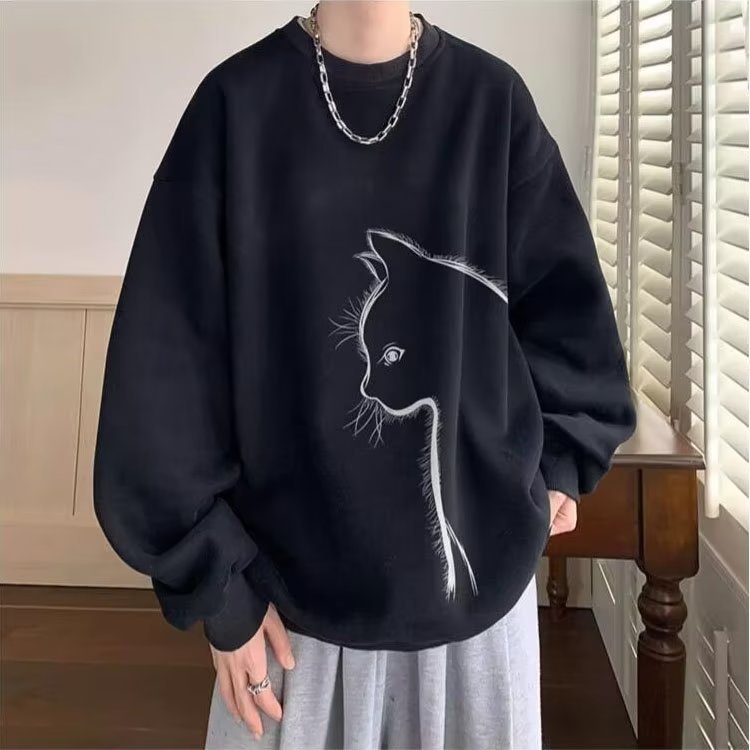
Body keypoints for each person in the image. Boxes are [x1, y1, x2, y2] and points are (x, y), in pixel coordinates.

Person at [92, 2, 637, 748]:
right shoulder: (235, 107)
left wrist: (561, 460)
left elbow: (568, 312)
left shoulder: (492, 102)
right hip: (286, 613)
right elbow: (165, 367)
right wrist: (218, 590)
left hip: (475, 602)